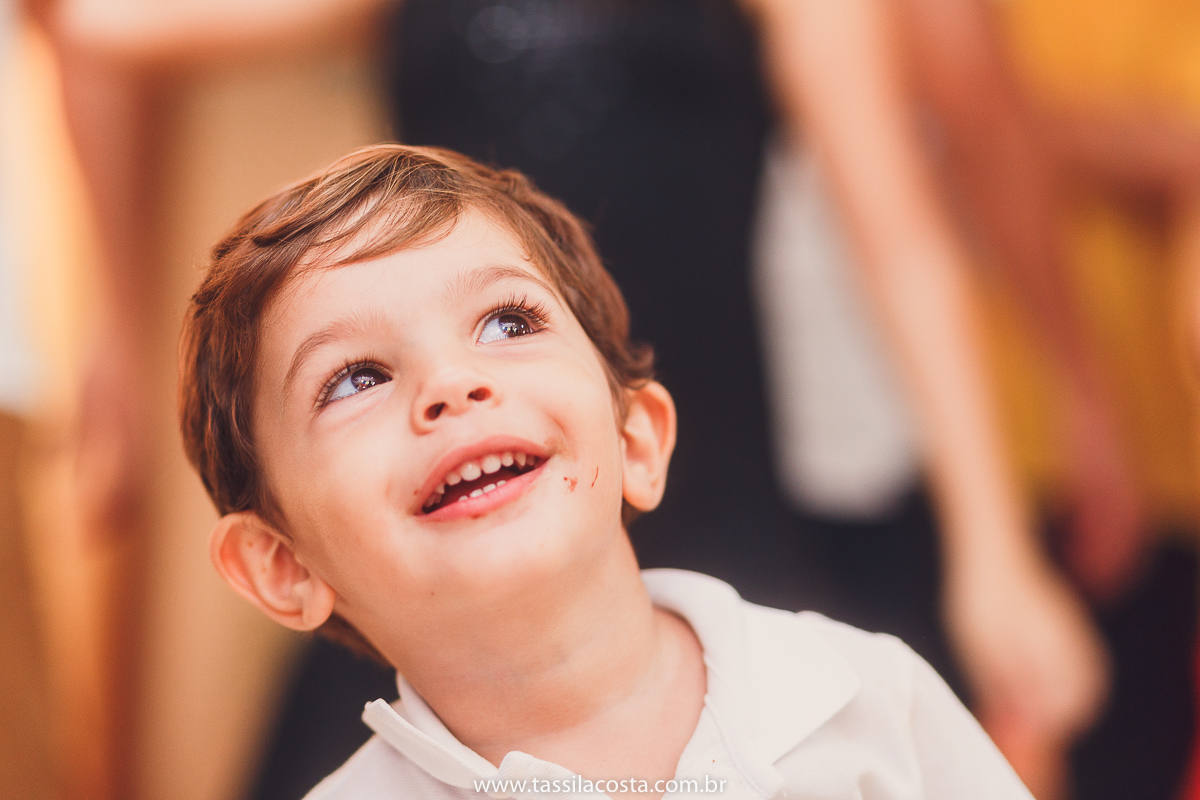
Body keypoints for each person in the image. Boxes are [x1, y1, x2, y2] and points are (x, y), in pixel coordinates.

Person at [178, 142, 1032, 799]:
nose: (451, 384)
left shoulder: (866, 697)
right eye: (355, 379)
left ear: (636, 440)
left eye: (508, 323)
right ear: (283, 566)